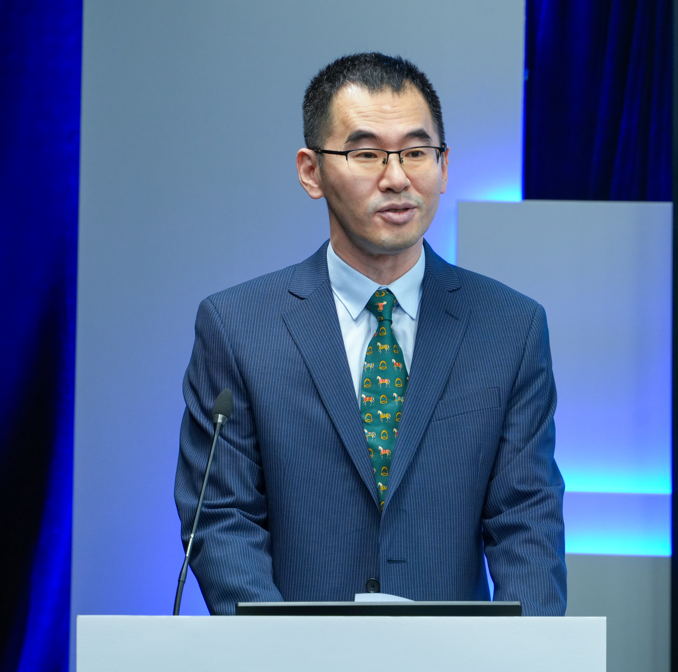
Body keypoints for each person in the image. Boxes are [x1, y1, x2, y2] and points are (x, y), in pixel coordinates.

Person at [175, 53, 566, 616]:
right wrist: (277, 653)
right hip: (294, 663)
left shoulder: (510, 328)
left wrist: (523, 655)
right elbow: (221, 516)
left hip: (456, 664)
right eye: (366, 154)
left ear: (444, 166)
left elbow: (527, 518)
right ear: (311, 172)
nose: (397, 178)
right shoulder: (238, 326)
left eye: (416, 152)